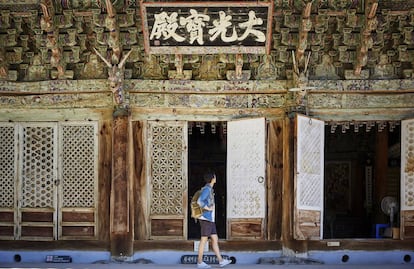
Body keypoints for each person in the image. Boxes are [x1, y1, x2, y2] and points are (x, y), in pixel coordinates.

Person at [196, 172, 231, 269]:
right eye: (215, 176)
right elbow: (199, 201)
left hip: (210, 219)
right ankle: (199, 262)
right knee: (203, 240)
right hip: (206, 219)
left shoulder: (210, 189)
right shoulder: (207, 189)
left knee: (215, 239)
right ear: (212, 178)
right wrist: (207, 208)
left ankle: (221, 261)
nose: (216, 178)